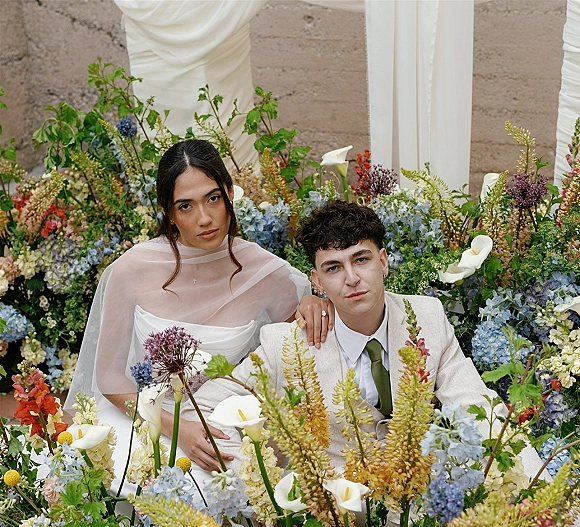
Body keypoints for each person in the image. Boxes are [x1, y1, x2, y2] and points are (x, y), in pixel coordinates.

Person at [194, 200, 544, 480]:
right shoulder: (285, 343)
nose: (352, 279)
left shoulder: (428, 318)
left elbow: (477, 407)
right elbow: (207, 405)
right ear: (316, 282)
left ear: (383, 262)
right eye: (333, 268)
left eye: (360, 260)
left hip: (421, 498)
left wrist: (537, 486)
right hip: (337, 517)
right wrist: (263, 489)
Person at [65, 139, 329, 491]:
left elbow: (291, 351)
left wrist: (312, 301)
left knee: (224, 491)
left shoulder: (267, 274)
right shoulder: (132, 270)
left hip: (217, 421)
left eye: (213, 198)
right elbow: (111, 379)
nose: (204, 218)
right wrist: (179, 430)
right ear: (168, 213)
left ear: (231, 193)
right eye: (185, 206)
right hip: (142, 417)